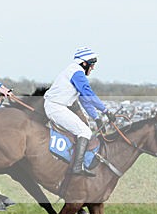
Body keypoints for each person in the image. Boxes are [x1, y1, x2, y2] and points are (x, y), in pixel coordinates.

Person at [44, 46, 115, 177]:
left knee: (83, 130)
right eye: (92, 65)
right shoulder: (77, 72)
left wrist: (97, 117)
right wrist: (106, 111)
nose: (93, 68)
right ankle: (77, 167)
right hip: (56, 107)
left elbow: (84, 100)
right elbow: (89, 94)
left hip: (57, 106)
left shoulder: (75, 71)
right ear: (84, 63)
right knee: (84, 131)